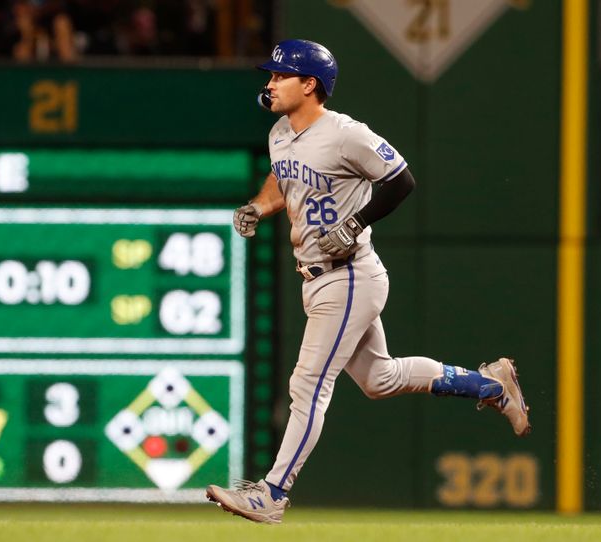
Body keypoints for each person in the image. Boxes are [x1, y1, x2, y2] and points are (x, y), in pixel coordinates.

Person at [206, 39, 531, 525]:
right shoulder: (280, 132)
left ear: (309, 84)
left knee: (307, 384)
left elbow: (401, 179)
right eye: (270, 75)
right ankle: (488, 384)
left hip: (349, 275)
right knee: (381, 380)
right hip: (316, 279)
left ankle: (273, 493)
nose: (269, 82)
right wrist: (259, 205)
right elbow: (283, 177)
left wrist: (355, 223)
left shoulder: (344, 134)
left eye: (279, 75)